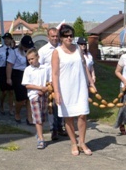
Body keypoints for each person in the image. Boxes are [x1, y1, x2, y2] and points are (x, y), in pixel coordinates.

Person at [52, 24, 95, 156]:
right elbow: (55, 74)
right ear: (61, 37)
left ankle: (82, 142)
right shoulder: (57, 52)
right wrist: (57, 92)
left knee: (82, 115)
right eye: (66, 36)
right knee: (69, 117)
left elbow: (84, 66)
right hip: (65, 88)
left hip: (80, 86)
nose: (69, 38)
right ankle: (73, 142)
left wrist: (91, 82)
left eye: (71, 35)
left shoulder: (78, 49)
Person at [38, 27, 65, 139]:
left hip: (62, 81)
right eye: (52, 36)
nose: (55, 38)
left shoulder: (63, 49)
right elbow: (38, 67)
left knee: (61, 105)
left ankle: (60, 127)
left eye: (56, 36)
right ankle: (53, 129)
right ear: (48, 37)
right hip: (49, 83)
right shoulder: (43, 51)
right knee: (51, 106)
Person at [22, 48, 52, 150]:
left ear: (38, 57)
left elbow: (49, 82)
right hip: (34, 96)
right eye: (29, 59)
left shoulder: (44, 68)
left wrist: (45, 90)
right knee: (37, 117)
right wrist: (39, 88)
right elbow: (27, 85)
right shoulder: (28, 70)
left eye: (32, 59)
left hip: (44, 95)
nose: (30, 61)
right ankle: (41, 139)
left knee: (42, 117)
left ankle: (39, 133)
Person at [7, 35, 33, 125]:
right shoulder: (14, 52)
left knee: (29, 97)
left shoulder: (31, 51)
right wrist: (8, 78)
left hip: (29, 73)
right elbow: (9, 65)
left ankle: (29, 118)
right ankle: (17, 112)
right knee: (21, 98)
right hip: (18, 74)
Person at [0, 33, 15, 116]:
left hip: (11, 70)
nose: (6, 40)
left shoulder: (13, 50)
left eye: (8, 39)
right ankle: (1, 104)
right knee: (4, 92)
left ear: (11, 40)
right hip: (2, 70)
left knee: (11, 91)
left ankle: (11, 108)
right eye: (5, 39)